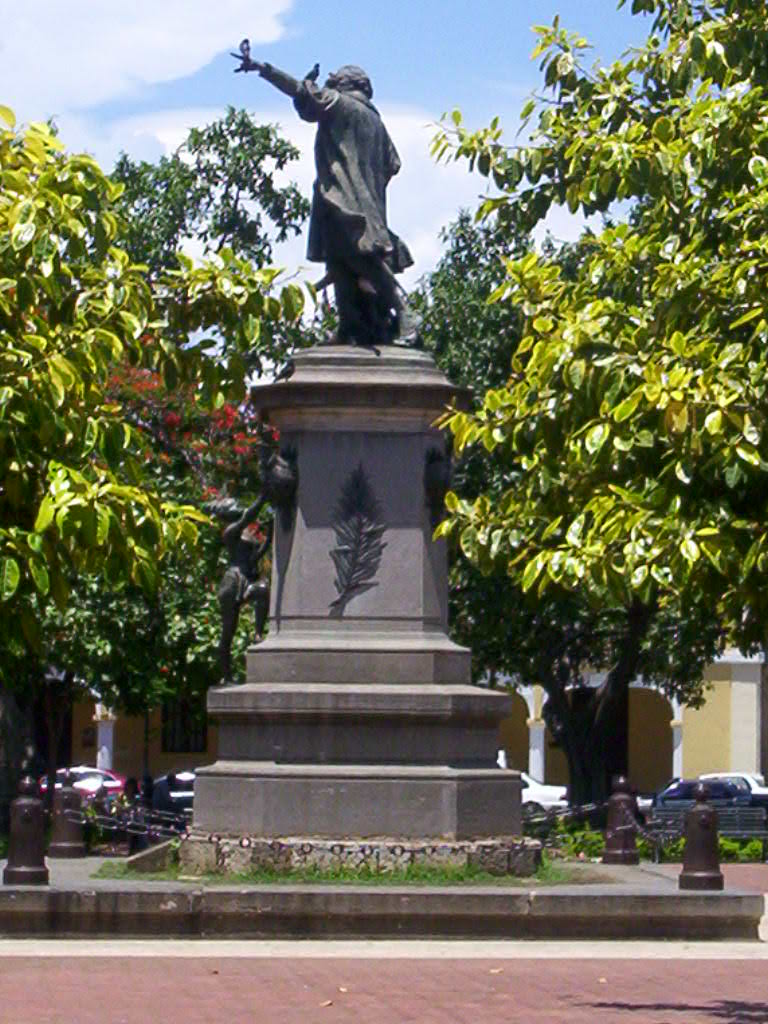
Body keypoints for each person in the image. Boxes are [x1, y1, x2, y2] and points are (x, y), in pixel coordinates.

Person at [243, 59, 417, 346]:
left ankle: (406, 315)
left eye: (334, 81)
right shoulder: (376, 120)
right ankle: (351, 325)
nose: (330, 84)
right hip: (361, 201)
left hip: (343, 198)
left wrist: (265, 70)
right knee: (339, 262)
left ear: (345, 84)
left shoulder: (342, 104)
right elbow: (392, 164)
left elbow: (300, 91)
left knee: (360, 257)